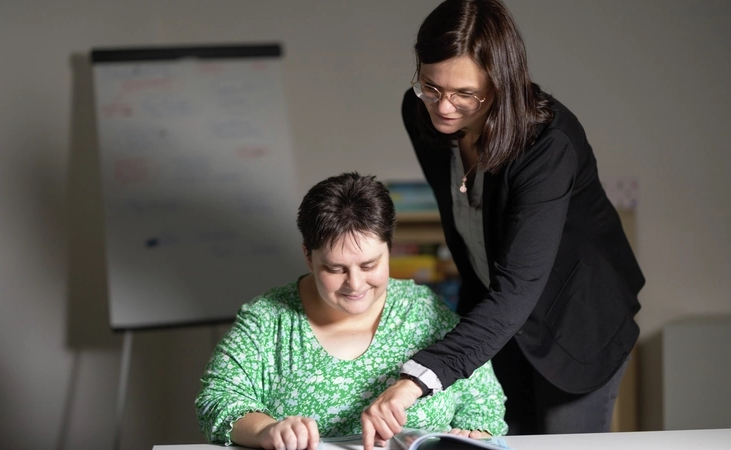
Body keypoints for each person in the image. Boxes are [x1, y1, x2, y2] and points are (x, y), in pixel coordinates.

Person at [361, 0, 645, 445]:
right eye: (431, 87)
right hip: (494, 314)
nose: (444, 109)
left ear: (500, 84)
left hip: (575, 322)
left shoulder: (548, 146)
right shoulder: (421, 113)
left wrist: (417, 379)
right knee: (487, 440)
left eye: (464, 94)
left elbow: (519, 287)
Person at [196, 172, 508, 450]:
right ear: (308, 255)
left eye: (369, 265)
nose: (354, 284)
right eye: (335, 268)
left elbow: (484, 401)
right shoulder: (267, 321)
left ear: (389, 247)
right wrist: (266, 429)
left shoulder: (424, 311)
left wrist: (474, 434)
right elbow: (217, 401)